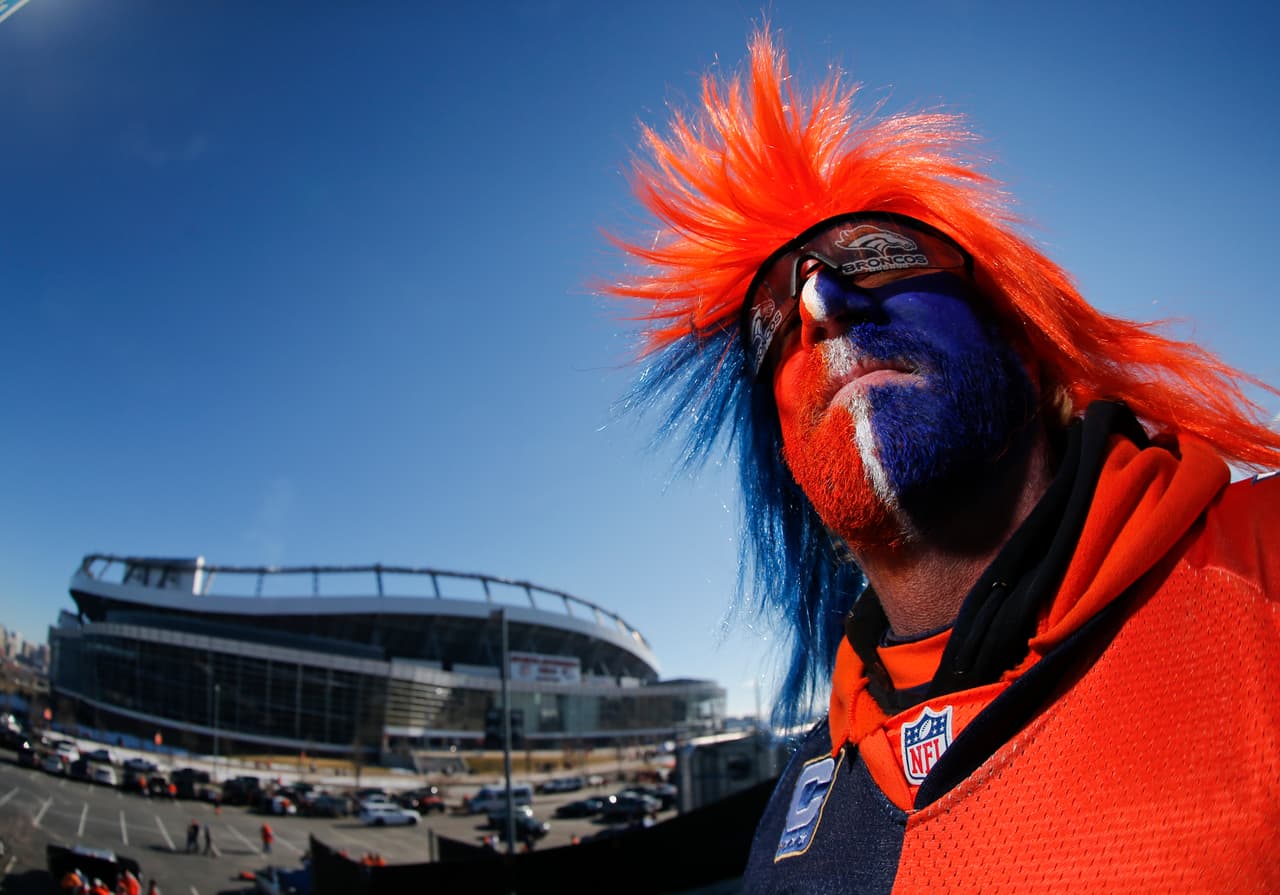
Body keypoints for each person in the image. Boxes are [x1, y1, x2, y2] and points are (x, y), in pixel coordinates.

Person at [606, 26, 1280, 892]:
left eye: (884, 256)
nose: (819, 302)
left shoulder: (1258, 572)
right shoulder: (796, 821)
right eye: (772, 318)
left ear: (1022, 345)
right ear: (786, 454)